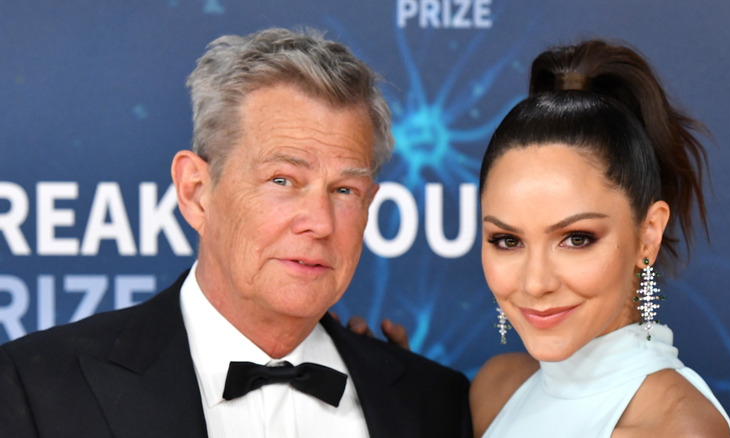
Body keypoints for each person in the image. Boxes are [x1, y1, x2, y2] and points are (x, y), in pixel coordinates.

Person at [0, 27, 472, 438]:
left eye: (345, 190)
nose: (321, 222)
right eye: (283, 180)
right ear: (196, 192)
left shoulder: (435, 404)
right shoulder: (38, 389)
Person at [469, 40, 730, 437]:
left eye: (576, 239)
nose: (535, 282)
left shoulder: (674, 429)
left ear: (648, 235)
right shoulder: (495, 389)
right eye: (508, 241)